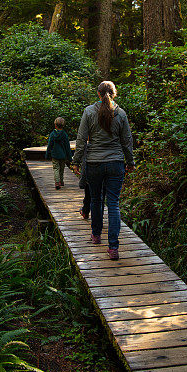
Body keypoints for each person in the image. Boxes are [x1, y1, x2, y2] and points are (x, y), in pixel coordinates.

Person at [72, 81, 134, 260]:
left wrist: (76, 161)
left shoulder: (89, 112)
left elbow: (82, 139)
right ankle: (113, 247)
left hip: (94, 163)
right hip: (115, 163)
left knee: (96, 199)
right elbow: (127, 141)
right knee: (113, 203)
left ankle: (96, 235)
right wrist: (130, 162)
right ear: (114, 94)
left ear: (98, 94)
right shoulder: (121, 114)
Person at [45, 117, 72, 189]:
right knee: (61, 168)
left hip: (55, 155)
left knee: (56, 168)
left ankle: (57, 182)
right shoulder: (64, 135)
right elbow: (67, 147)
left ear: (55, 125)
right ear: (63, 125)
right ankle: (61, 181)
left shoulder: (52, 134)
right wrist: (70, 157)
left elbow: (49, 145)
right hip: (63, 155)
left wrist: (47, 154)